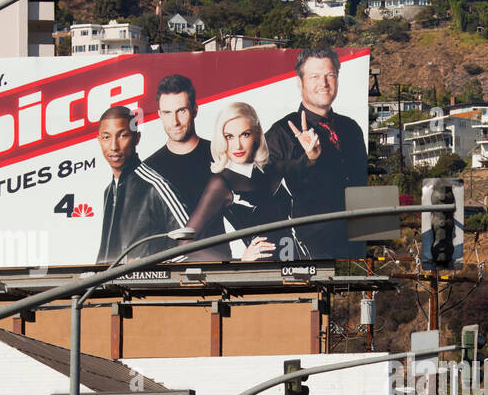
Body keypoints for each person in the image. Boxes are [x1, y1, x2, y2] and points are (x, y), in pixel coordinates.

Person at [185, 100, 322, 262]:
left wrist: (311, 155)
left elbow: (299, 166)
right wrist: (238, 262)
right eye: (229, 137)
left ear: (256, 135)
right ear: (222, 138)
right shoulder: (221, 183)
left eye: (245, 134)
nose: (238, 145)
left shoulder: (268, 169)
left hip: (296, 263)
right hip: (262, 275)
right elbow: (185, 244)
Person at [264, 47, 367, 259]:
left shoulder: (351, 128)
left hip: (352, 243)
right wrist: (308, 159)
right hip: (305, 246)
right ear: (299, 82)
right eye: (314, 77)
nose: (324, 83)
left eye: (330, 75)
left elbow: (360, 184)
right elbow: (266, 185)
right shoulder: (281, 130)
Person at [94, 106, 189, 265]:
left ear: (137, 138)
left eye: (122, 135)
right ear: (99, 140)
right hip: (112, 287)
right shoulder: (109, 191)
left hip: (144, 288)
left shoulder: (155, 186)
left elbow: (193, 243)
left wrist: (151, 271)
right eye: (106, 137)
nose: (113, 146)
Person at [145, 74, 213, 213]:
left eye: (181, 111)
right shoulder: (148, 170)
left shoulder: (220, 154)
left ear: (195, 110)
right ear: (159, 115)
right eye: (167, 113)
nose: (174, 121)